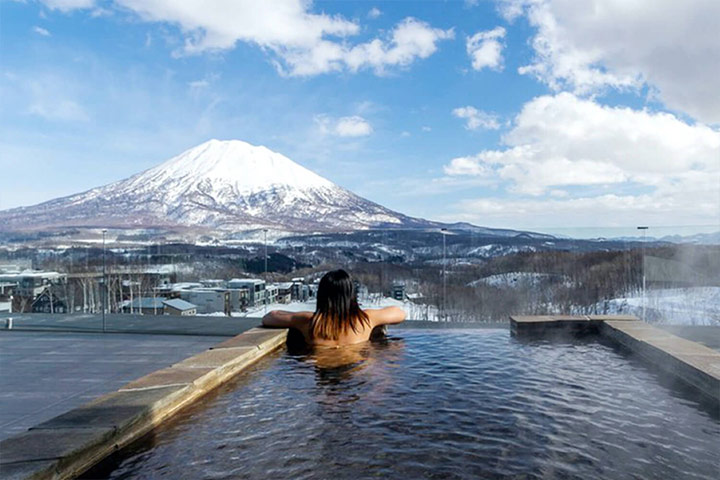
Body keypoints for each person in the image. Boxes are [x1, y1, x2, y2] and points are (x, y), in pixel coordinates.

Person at [262, 269, 406, 347]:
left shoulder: (308, 321)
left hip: (320, 367)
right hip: (356, 368)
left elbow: (269, 317)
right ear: (351, 295)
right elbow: (400, 314)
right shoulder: (365, 320)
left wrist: (298, 315)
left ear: (322, 295)